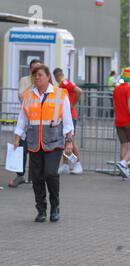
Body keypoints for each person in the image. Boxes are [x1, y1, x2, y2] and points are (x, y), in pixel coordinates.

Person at [14, 65, 74, 223]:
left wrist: (69, 141)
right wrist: (17, 135)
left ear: (48, 77)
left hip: (54, 142)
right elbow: (23, 118)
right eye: (35, 76)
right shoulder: (29, 95)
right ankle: (41, 209)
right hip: (34, 142)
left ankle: (55, 207)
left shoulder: (60, 94)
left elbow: (67, 121)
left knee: (50, 174)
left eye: (40, 75)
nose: (37, 78)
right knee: (37, 177)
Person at [9, 59, 42, 188]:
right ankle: (20, 175)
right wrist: (33, 84)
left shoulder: (46, 79)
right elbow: (21, 97)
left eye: (39, 69)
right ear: (30, 69)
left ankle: (36, 177)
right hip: (27, 118)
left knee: (37, 150)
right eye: (34, 69)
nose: (36, 72)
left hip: (41, 121)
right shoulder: (25, 80)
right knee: (21, 148)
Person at [53, 68, 83, 175]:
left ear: (56, 76)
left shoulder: (64, 83)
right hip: (66, 116)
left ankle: (77, 164)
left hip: (70, 116)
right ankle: (65, 165)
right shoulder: (62, 85)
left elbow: (79, 91)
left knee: (71, 141)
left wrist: (72, 106)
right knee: (66, 141)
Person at [113, 68, 130, 180]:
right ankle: (123, 163)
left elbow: (114, 105)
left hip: (118, 120)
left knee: (124, 144)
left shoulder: (116, 89)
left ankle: (123, 172)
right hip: (128, 120)